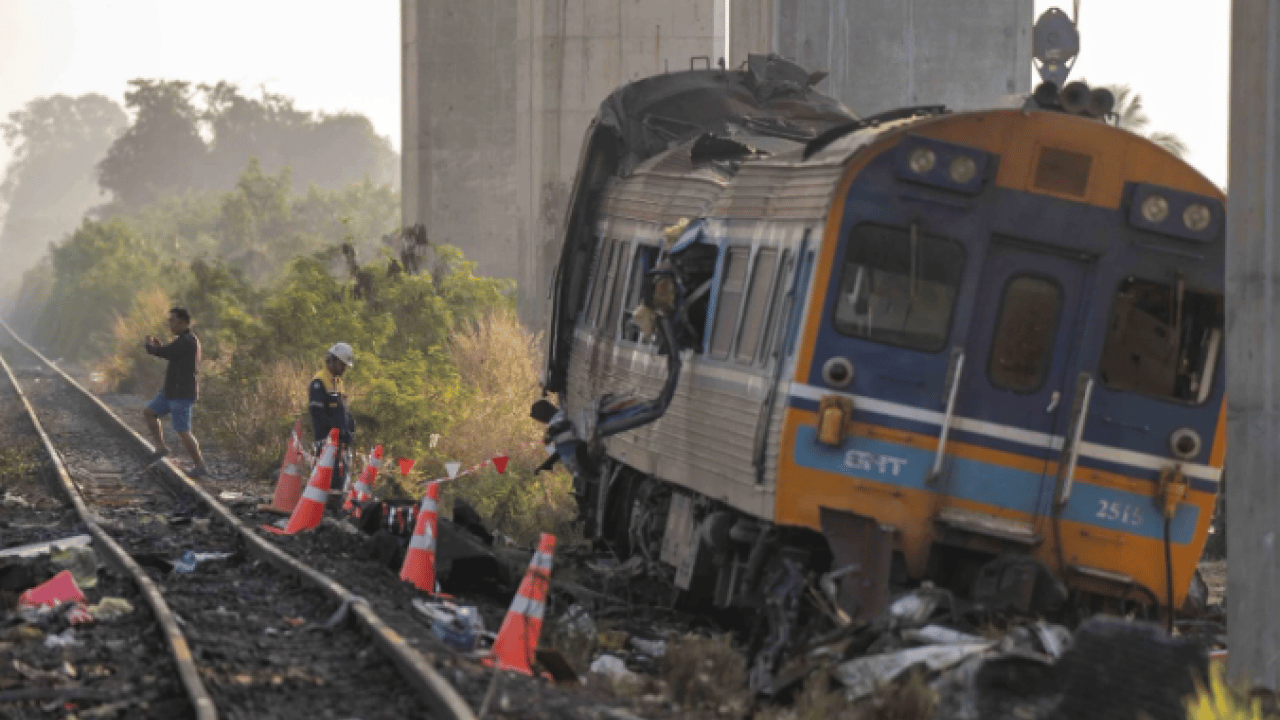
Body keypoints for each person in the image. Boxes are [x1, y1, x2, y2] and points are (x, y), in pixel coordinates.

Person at [143, 307, 209, 478]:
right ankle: (160, 447)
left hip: (182, 393)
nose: (170, 325)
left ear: (183, 322)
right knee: (150, 412)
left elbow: (166, 352)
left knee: (183, 430)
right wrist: (159, 348)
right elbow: (169, 352)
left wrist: (150, 346)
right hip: (171, 391)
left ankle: (200, 465)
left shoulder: (188, 341)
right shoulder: (183, 340)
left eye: (172, 321)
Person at [309, 342, 356, 493]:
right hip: (327, 441)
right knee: (329, 478)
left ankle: (335, 508)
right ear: (333, 360)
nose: (344, 369)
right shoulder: (319, 382)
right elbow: (318, 414)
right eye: (342, 365)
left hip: (339, 441)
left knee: (341, 478)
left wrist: (349, 429)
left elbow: (342, 410)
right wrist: (335, 431)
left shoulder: (337, 382)